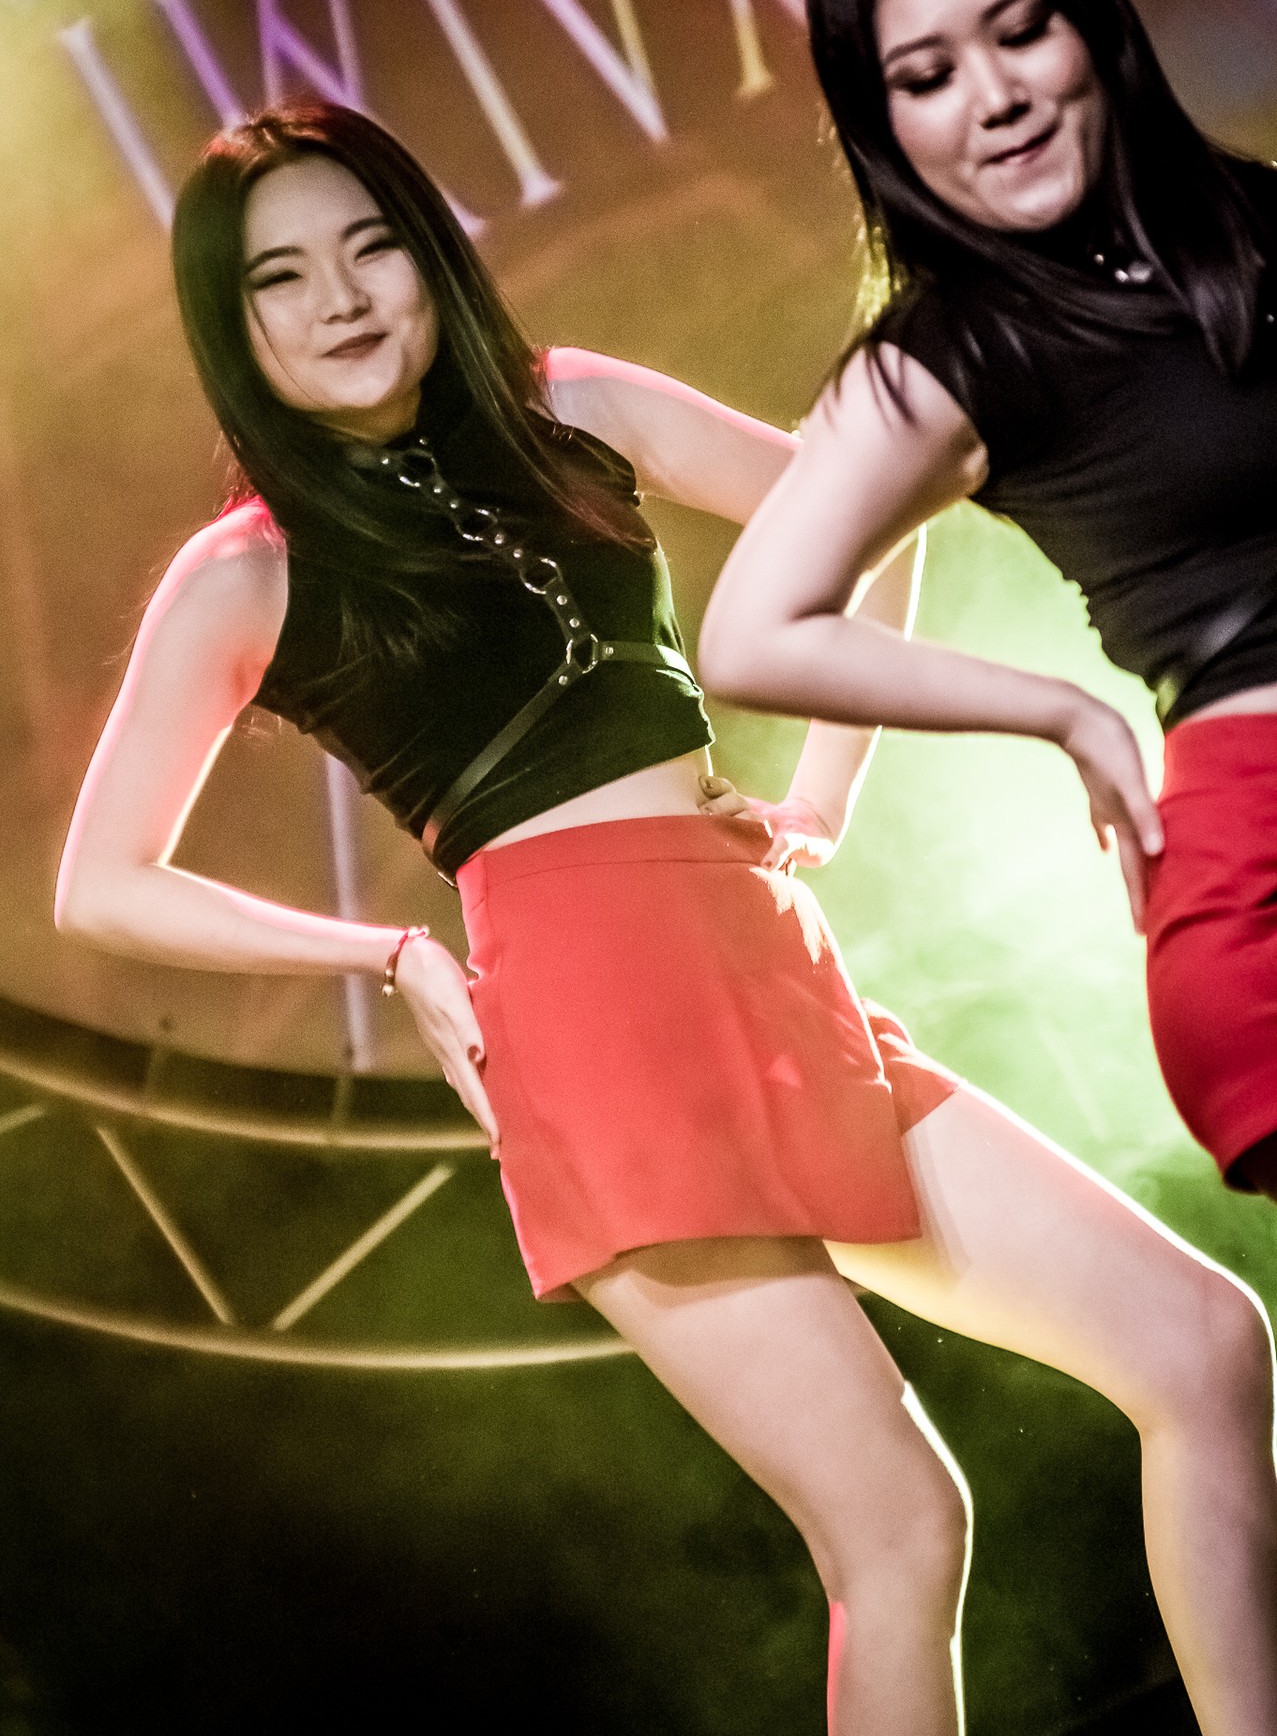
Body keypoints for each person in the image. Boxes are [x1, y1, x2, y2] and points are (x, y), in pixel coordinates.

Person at [56, 102, 1276, 1736]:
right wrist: (386, 954)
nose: (339, 298)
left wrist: (827, 790)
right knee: (899, 1529)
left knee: (1201, 1345)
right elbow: (100, 885)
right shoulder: (244, 576)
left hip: (770, 966)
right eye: (280, 276)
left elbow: (873, 517)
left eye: (371, 246)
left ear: (429, 255)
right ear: (233, 324)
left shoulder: (575, 405)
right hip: (591, 1029)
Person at [703, 0, 1277, 1210]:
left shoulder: (1263, 217)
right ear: (884, 125)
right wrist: (1060, 712)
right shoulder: (948, 360)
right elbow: (750, 633)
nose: (995, 96)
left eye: (1020, 32)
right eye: (927, 76)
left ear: (1094, 25)